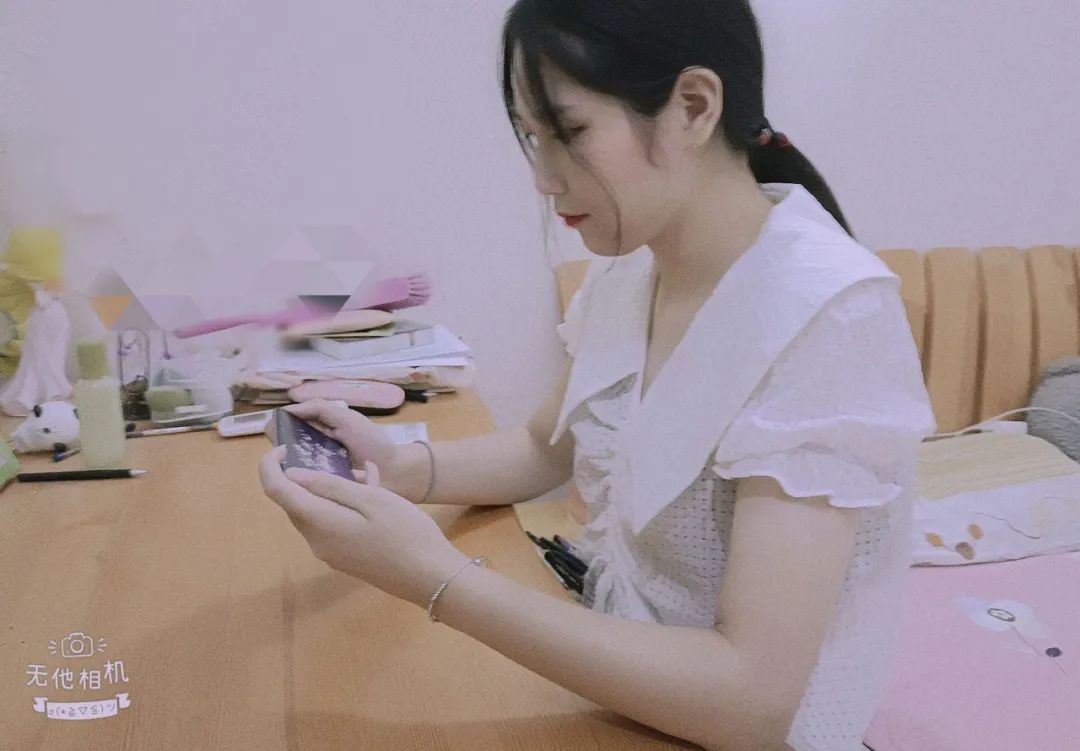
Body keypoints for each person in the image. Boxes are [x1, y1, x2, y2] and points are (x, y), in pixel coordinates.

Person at [258, 2, 937, 749]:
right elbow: (543, 448)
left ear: (694, 106)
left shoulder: (828, 317)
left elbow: (751, 701)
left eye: (570, 131)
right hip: (621, 696)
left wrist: (436, 577)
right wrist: (401, 467)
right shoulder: (631, 271)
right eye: (532, 136)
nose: (544, 179)